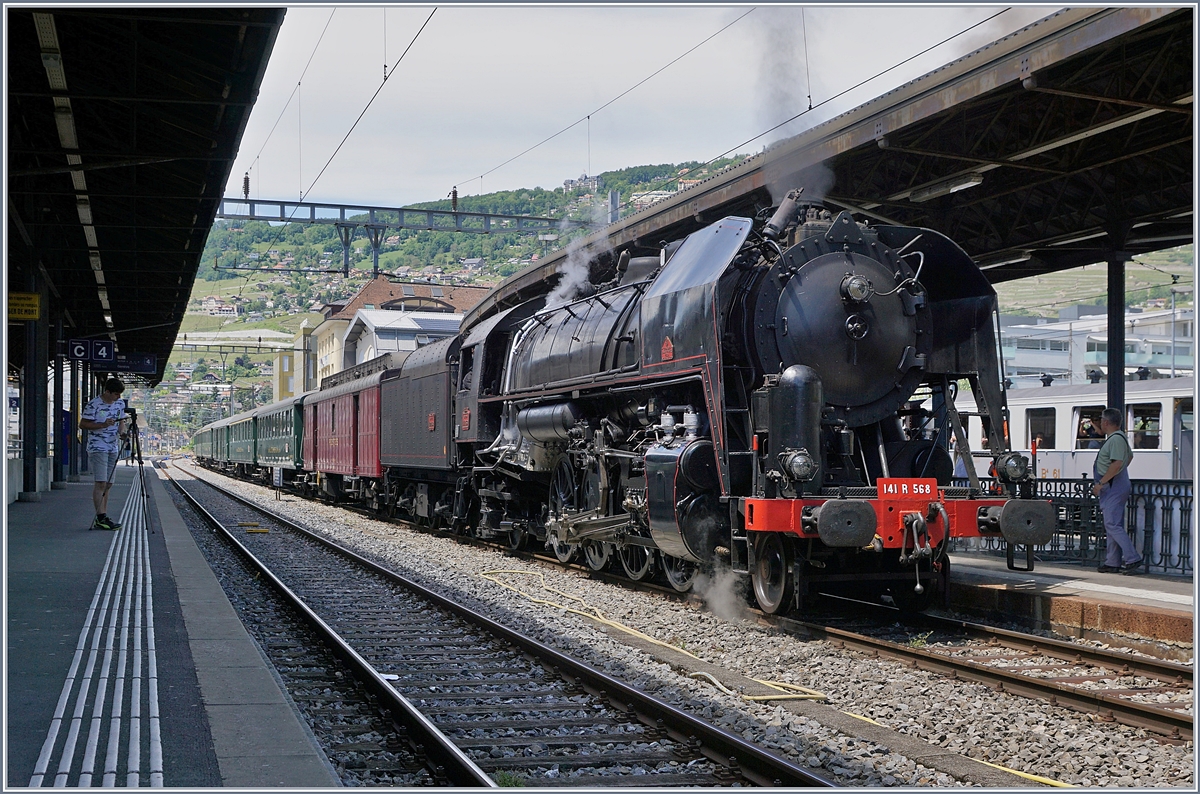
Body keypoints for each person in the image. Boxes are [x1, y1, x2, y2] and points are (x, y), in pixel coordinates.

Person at [1092, 407, 1141, 574]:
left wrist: (1103, 482)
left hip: (1112, 486)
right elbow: (1129, 457)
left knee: (1112, 524)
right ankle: (1112, 561)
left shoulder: (1115, 440)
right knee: (1112, 523)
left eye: (1101, 420)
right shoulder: (1119, 438)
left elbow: (1117, 463)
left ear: (1106, 422)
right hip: (1115, 485)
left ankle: (1132, 558)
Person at [78, 377, 128, 530]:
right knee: (101, 482)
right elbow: (83, 424)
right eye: (116, 394)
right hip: (97, 447)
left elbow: (121, 423)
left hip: (112, 446)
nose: (118, 397)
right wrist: (102, 424)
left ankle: (104, 514)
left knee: (108, 484)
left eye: (120, 394)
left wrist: (123, 434)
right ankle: (100, 518)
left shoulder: (119, 404)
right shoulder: (94, 404)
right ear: (107, 392)